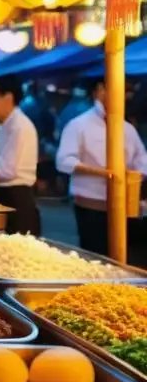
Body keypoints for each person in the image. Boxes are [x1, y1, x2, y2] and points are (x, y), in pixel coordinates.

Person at [56, 78, 147, 261]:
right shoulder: (79, 125)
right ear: (99, 91)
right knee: (95, 258)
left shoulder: (127, 128)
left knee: (123, 258)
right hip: (91, 206)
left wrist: (135, 176)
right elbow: (64, 161)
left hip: (124, 206)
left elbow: (142, 159)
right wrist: (100, 172)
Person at [0, 74, 41, 235]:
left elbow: (6, 171)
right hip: (2, 195)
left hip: (15, 198)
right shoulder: (4, 125)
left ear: (7, 98)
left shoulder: (19, 126)